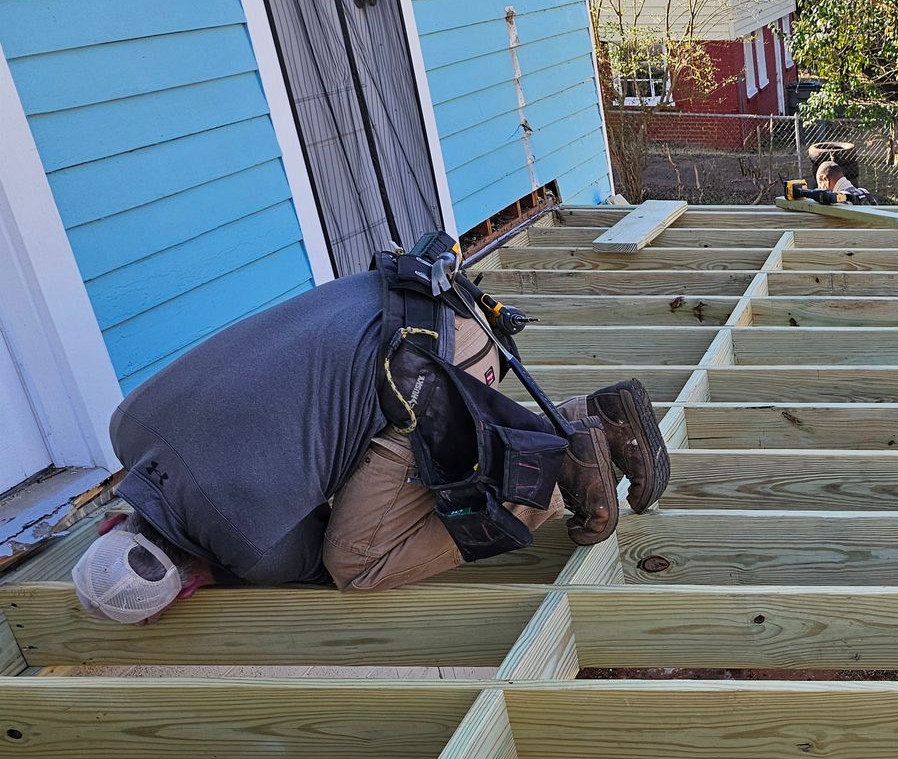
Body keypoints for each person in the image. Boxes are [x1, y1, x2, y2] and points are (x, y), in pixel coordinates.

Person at [71, 237, 669, 623]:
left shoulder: (247, 546)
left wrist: (218, 568)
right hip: (428, 301)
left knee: (356, 563)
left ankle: (560, 468)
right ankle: (593, 417)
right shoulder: (126, 425)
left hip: (433, 369)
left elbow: (321, 550)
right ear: (109, 525)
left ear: (183, 589)